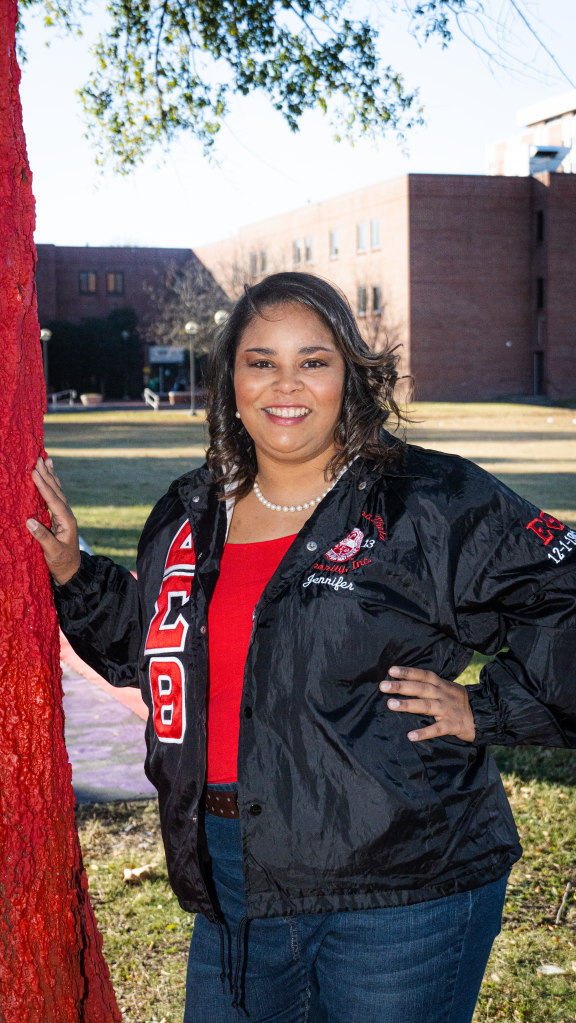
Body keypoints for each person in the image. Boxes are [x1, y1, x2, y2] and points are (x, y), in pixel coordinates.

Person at [28, 272, 576, 1023]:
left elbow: (563, 595)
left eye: (313, 361)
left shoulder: (427, 498)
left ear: (350, 374)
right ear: (231, 381)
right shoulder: (189, 511)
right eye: (261, 362)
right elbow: (153, 651)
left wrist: (489, 709)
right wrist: (74, 572)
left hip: (403, 884)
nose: (285, 384)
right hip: (234, 873)